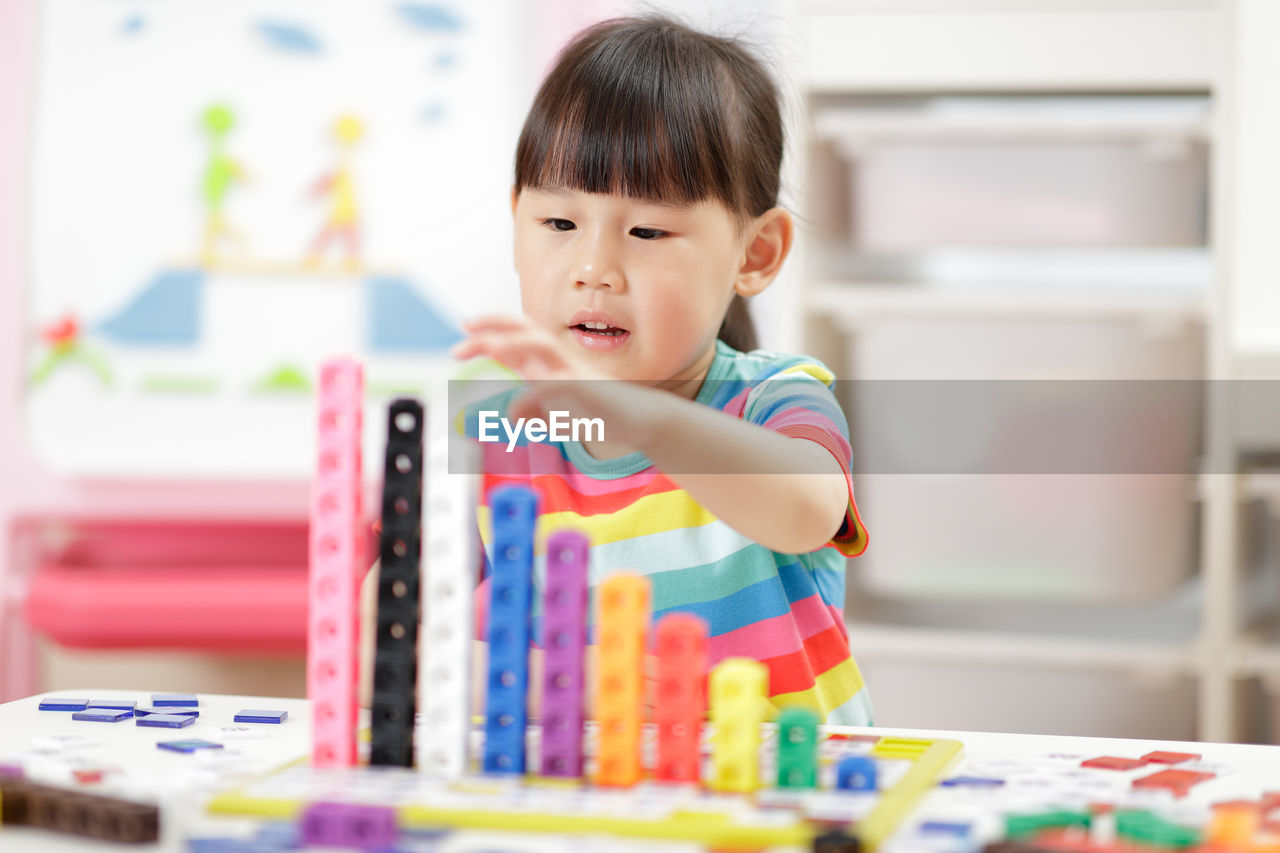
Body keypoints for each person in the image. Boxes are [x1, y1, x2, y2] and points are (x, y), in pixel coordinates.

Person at [364, 14, 871, 724]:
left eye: (648, 231)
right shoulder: (490, 418)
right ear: (517, 224)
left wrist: (637, 413)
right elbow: (395, 625)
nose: (593, 269)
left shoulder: (777, 395)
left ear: (755, 254)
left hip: (771, 803)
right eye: (559, 225)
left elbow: (804, 508)